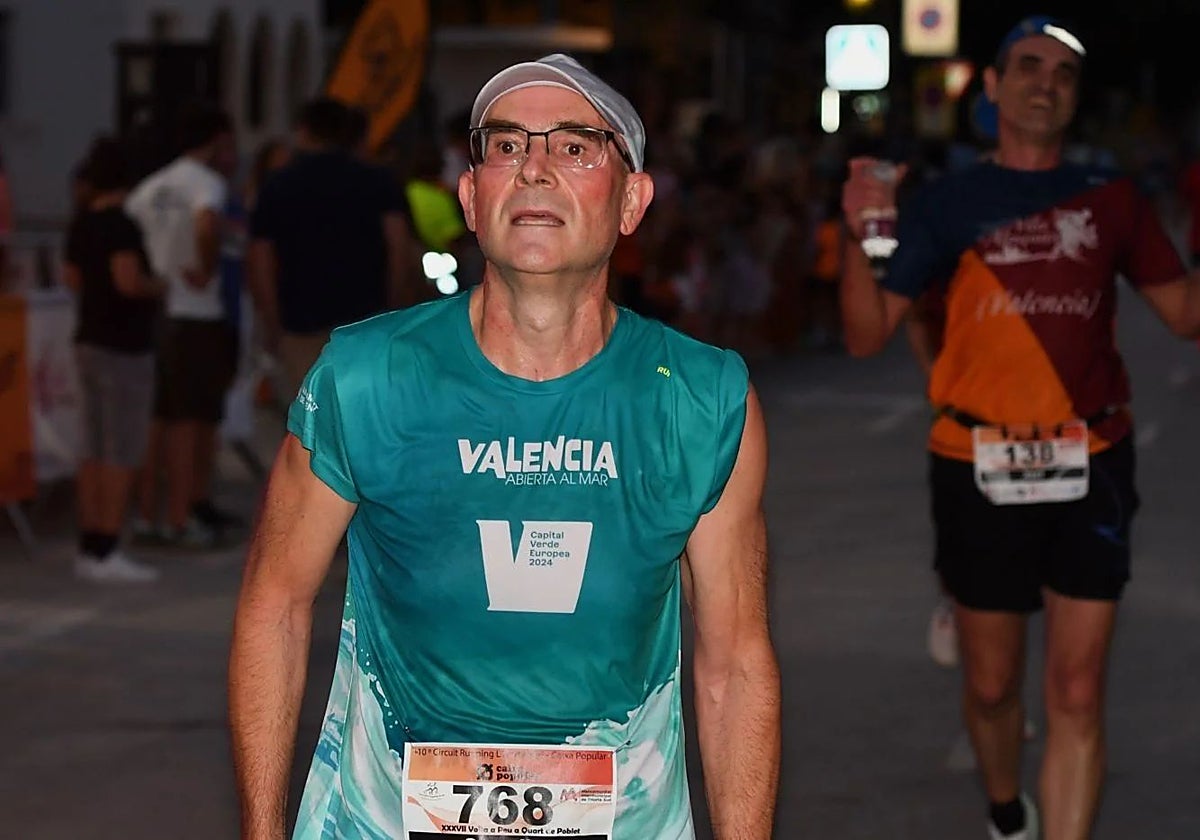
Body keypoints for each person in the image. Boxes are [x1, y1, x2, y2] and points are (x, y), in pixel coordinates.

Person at [229, 53, 781, 840]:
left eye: (576, 147)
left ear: (632, 201)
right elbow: (274, 604)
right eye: (507, 145)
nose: (535, 169)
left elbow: (735, 663)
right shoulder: (367, 375)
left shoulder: (699, 397)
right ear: (471, 195)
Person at [841, 16, 1200, 840]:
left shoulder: (1112, 200)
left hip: (1093, 457)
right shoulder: (945, 204)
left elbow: (1183, 313)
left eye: (1065, 73)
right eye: (1029, 66)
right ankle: (1008, 812)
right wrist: (864, 234)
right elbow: (865, 336)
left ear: (1075, 97)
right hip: (975, 460)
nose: (1047, 82)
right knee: (994, 685)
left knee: (1076, 691)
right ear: (993, 88)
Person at [247, 97, 420, 398]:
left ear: (304, 131)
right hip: (367, 320)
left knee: (311, 422)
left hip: (300, 320)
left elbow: (261, 257)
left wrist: (271, 319)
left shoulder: (279, 185)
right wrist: (395, 306)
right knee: (363, 416)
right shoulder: (377, 181)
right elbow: (398, 247)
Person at [125, 103, 238, 547]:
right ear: (216, 141)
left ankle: (150, 511)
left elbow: (130, 231)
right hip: (196, 314)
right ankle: (181, 516)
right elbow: (207, 223)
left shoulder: (151, 187)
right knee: (190, 420)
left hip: (159, 310)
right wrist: (205, 265)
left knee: (158, 418)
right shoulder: (206, 184)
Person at [63, 137, 164, 582]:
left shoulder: (80, 224)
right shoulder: (122, 226)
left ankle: (89, 543)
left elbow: (72, 280)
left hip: (89, 339)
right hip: (124, 346)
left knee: (92, 449)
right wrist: (158, 286)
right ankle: (108, 545)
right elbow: (127, 282)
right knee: (120, 449)